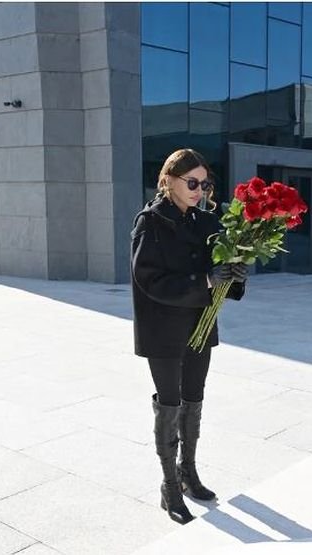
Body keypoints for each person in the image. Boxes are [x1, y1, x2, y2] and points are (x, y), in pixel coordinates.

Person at [131, 148, 249, 524]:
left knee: (194, 399)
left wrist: (233, 274)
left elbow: (219, 268)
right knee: (170, 403)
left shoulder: (206, 221)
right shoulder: (150, 222)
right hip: (163, 328)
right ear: (169, 180)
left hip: (199, 324)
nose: (200, 190)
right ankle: (169, 486)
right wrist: (204, 281)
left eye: (205, 184)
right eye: (192, 183)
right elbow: (148, 280)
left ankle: (188, 472)